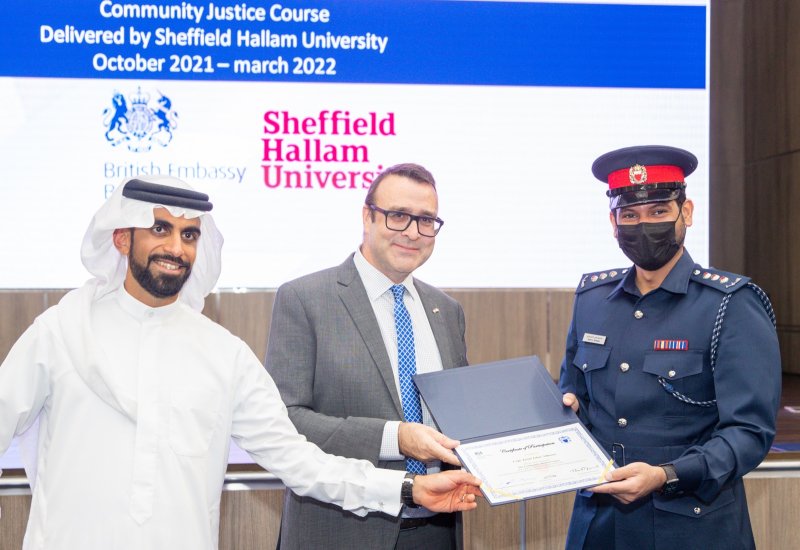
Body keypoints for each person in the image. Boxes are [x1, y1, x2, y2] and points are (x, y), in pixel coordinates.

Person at [0, 175, 482, 550]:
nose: (176, 248)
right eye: (160, 229)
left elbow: (301, 461)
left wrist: (408, 489)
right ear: (123, 239)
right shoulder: (60, 332)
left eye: (190, 235)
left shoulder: (221, 353)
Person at [558, 145, 781, 549]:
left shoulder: (730, 303)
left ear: (686, 213)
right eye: (629, 215)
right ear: (613, 223)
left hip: (691, 527)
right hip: (599, 524)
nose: (643, 225)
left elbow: (749, 433)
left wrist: (666, 475)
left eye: (659, 211)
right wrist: (562, 414)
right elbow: (573, 396)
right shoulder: (592, 299)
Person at [265, 163, 469, 549]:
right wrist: (396, 438)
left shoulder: (447, 310)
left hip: (436, 530)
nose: (413, 232)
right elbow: (285, 421)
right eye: (398, 216)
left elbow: (459, 417)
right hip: (340, 533)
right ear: (367, 216)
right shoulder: (304, 299)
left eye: (426, 220)